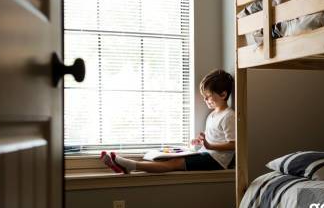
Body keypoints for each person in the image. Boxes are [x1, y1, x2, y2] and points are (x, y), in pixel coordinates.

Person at [100, 69, 235, 173]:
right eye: (204, 97)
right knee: (169, 158)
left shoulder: (229, 116)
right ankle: (128, 165)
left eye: (209, 96)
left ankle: (130, 165)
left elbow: (233, 145)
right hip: (206, 154)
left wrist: (210, 146)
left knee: (173, 164)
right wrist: (200, 143)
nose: (205, 100)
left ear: (223, 94)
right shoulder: (212, 115)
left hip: (217, 161)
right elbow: (215, 139)